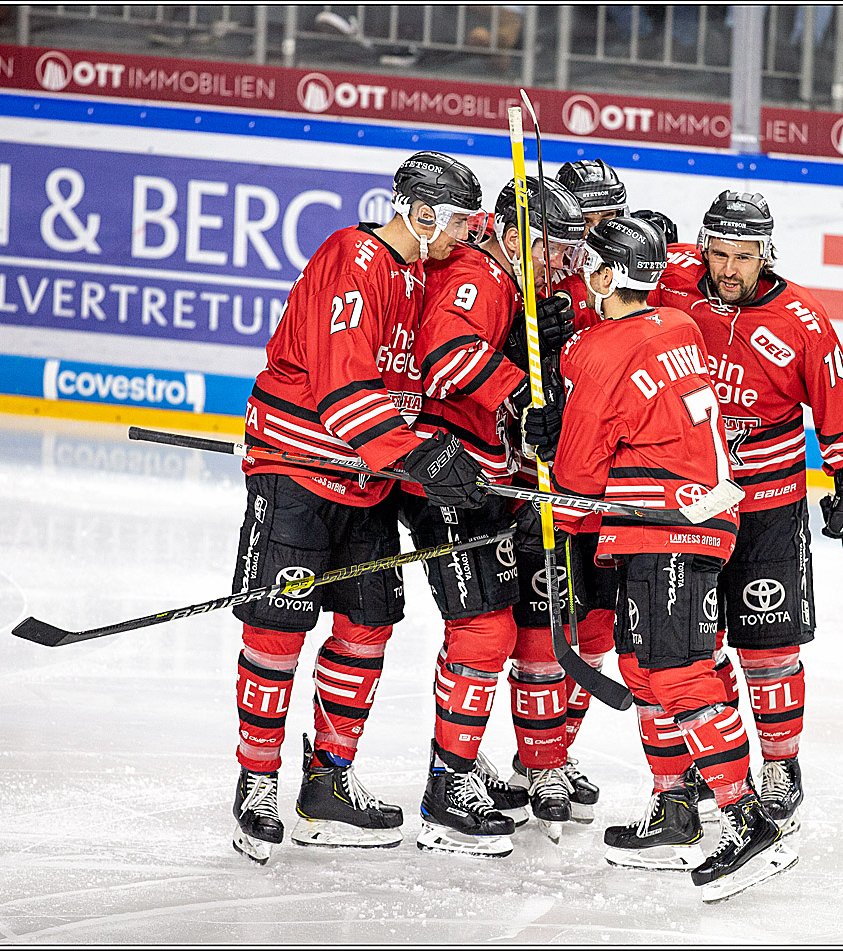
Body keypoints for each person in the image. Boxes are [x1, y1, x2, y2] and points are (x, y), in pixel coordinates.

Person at [525, 216, 798, 901]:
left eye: (590, 263)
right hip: (696, 521)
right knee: (643, 667)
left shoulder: (600, 351)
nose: (583, 273)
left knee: (677, 674)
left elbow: (581, 480)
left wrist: (548, 444)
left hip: (665, 529)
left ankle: (743, 819)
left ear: (609, 274)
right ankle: (675, 808)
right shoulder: (677, 326)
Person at [229, 151, 491, 864]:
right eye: (458, 220)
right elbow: (345, 394)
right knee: (277, 635)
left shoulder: (419, 273)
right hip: (300, 474)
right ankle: (256, 783)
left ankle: (328, 782)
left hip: (367, 482)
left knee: (367, 626)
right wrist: (421, 456)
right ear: (422, 211)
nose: (467, 234)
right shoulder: (354, 257)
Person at [646, 190, 843, 836]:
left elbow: (838, 397)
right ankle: (716, 758)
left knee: (768, 648)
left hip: (768, 508)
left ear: (766, 254)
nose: (728, 268)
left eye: (743, 256)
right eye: (718, 252)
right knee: (696, 645)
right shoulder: (673, 280)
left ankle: (780, 764)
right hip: (690, 504)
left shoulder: (801, 318)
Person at [403, 175, 584, 856]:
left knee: (485, 629)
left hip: (481, 478)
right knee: (482, 631)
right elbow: (444, 360)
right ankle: (445, 790)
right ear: (514, 236)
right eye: (553, 249)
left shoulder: (512, 283)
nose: (562, 267)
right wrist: (519, 390)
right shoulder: (479, 275)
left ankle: (458, 759)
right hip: (446, 478)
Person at [501, 159, 630, 838]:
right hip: (541, 482)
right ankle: (539, 759)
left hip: (610, 488)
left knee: (597, 629)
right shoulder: (522, 279)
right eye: (587, 219)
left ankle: (554, 750)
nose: (597, 234)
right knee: (539, 631)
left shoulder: (625, 280)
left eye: (610, 219)